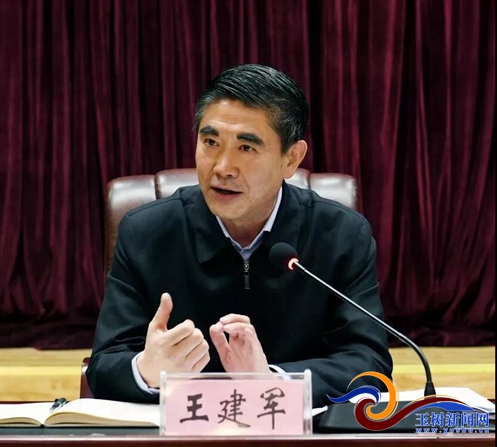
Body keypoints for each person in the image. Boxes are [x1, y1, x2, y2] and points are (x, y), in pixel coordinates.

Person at [86, 64, 393, 408]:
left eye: (246, 148)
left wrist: (272, 382)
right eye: (210, 142)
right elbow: (104, 364)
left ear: (291, 159)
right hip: (185, 428)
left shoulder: (341, 236)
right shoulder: (147, 233)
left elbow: (368, 364)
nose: (222, 168)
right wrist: (146, 371)